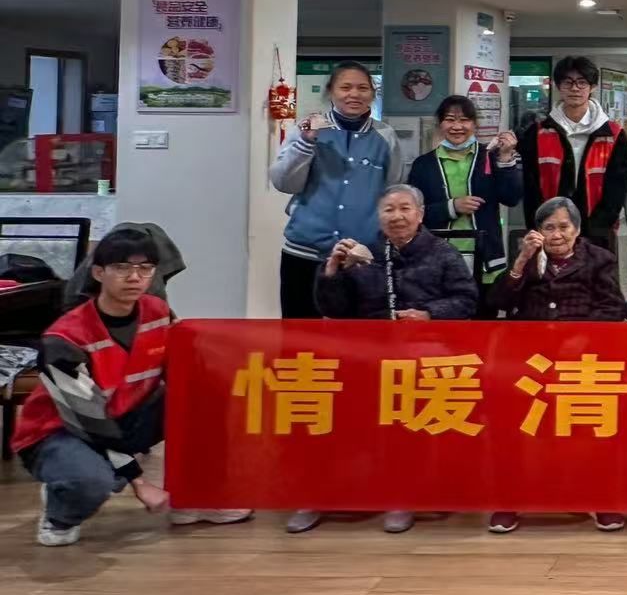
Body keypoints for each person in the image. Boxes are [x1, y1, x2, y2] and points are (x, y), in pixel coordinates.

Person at [16, 227, 251, 546]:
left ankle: (194, 498)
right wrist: (140, 483)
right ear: (99, 273)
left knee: (211, 399)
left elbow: (187, 372)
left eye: (145, 268)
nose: (134, 277)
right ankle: (61, 511)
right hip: (63, 431)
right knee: (92, 480)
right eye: (121, 267)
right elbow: (90, 421)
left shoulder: (157, 312)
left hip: (126, 415)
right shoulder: (65, 338)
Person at [287, 184, 477, 536]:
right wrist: (332, 271)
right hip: (368, 355)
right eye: (389, 209)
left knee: (410, 409)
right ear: (379, 216)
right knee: (322, 405)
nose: (397, 216)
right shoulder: (364, 253)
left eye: (405, 208)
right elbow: (333, 309)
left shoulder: (443, 253)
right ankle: (318, 494)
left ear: (420, 214)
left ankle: (402, 495)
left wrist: (428, 314)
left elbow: (467, 300)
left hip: (424, 355)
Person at [485, 198, 627, 535]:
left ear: (576, 230)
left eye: (564, 227)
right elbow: (496, 303)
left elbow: (613, 309)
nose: (557, 234)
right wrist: (520, 262)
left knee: (592, 424)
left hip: (582, 359)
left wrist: (580, 338)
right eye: (549, 227)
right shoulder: (528, 259)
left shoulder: (599, 259)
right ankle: (509, 500)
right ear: (537, 232)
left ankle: (602, 500)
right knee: (515, 423)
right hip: (531, 360)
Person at [269, 60, 405, 319]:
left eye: (362, 88)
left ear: (372, 93)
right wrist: (306, 144)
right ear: (331, 91)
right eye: (345, 87)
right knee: (301, 332)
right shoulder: (308, 129)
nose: (354, 94)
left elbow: (393, 189)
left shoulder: (385, 136)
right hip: (305, 252)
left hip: (361, 255)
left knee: (358, 334)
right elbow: (284, 183)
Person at [407, 95, 523, 302]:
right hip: (437, 259)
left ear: (474, 124)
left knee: (484, 317)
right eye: (450, 120)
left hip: (486, 258)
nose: (457, 126)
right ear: (440, 124)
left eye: (464, 120)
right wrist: (451, 207)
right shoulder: (424, 165)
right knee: (444, 316)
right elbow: (414, 214)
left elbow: (511, 198)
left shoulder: (490, 156)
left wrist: (506, 159)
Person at [517, 55, 627, 252]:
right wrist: (539, 224)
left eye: (582, 82)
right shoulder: (537, 133)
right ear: (558, 86)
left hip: (597, 231)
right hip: (550, 230)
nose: (575, 88)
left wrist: (598, 227)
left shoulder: (614, 135)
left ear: (592, 87)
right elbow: (530, 186)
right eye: (568, 82)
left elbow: (617, 188)